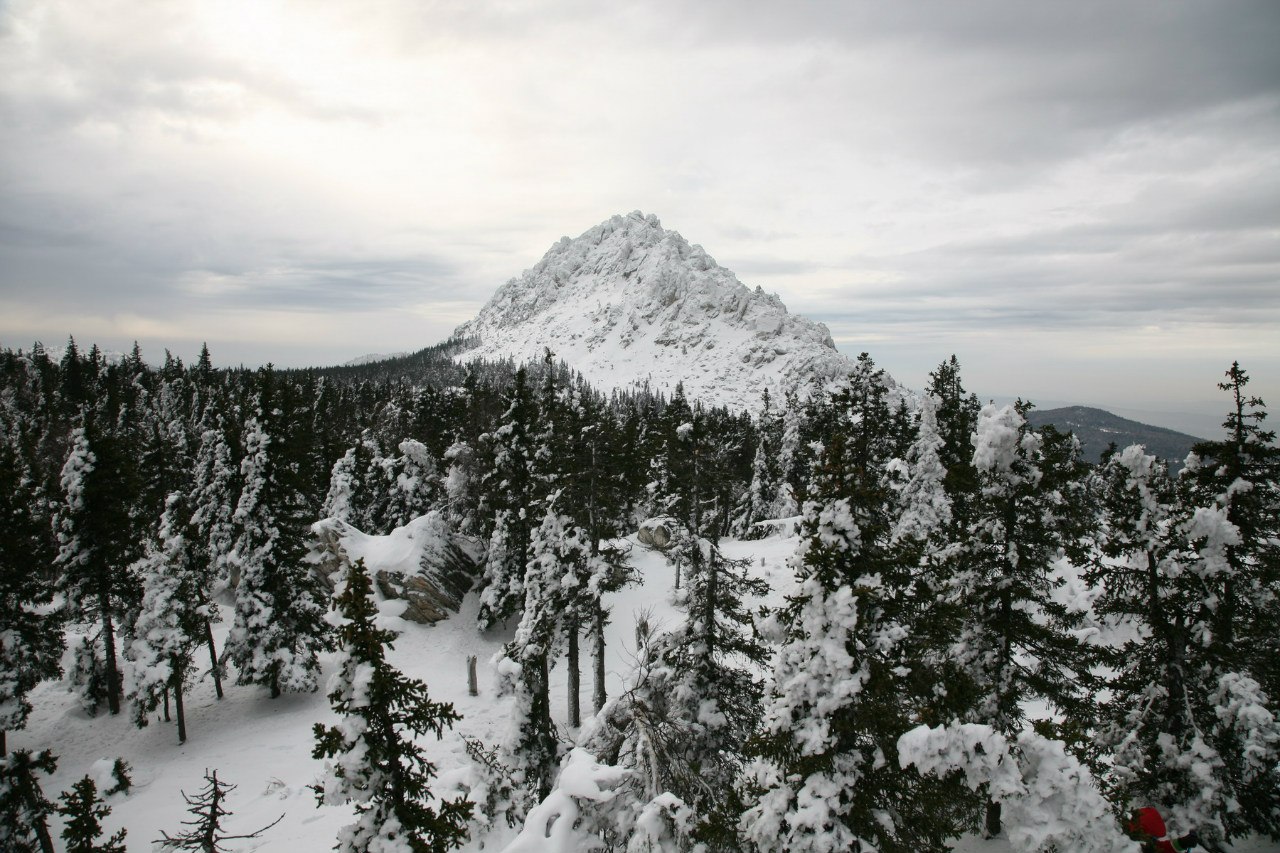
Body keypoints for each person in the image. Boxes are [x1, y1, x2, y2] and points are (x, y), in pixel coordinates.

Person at [1125, 807, 1201, 853]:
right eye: (1152, 837)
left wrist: (1182, 843)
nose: (1154, 840)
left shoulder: (1144, 842)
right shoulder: (1126, 847)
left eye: (1154, 838)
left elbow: (1161, 848)